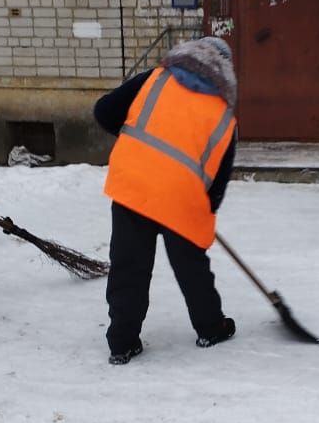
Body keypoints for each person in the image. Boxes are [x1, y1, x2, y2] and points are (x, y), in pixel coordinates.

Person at [94, 36, 238, 365]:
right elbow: (219, 180)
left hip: (133, 183)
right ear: (225, 72)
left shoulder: (155, 78)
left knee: (129, 266)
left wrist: (139, 147)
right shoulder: (224, 115)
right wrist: (205, 210)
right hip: (182, 197)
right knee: (192, 268)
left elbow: (104, 111)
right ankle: (211, 328)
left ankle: (122, 343)